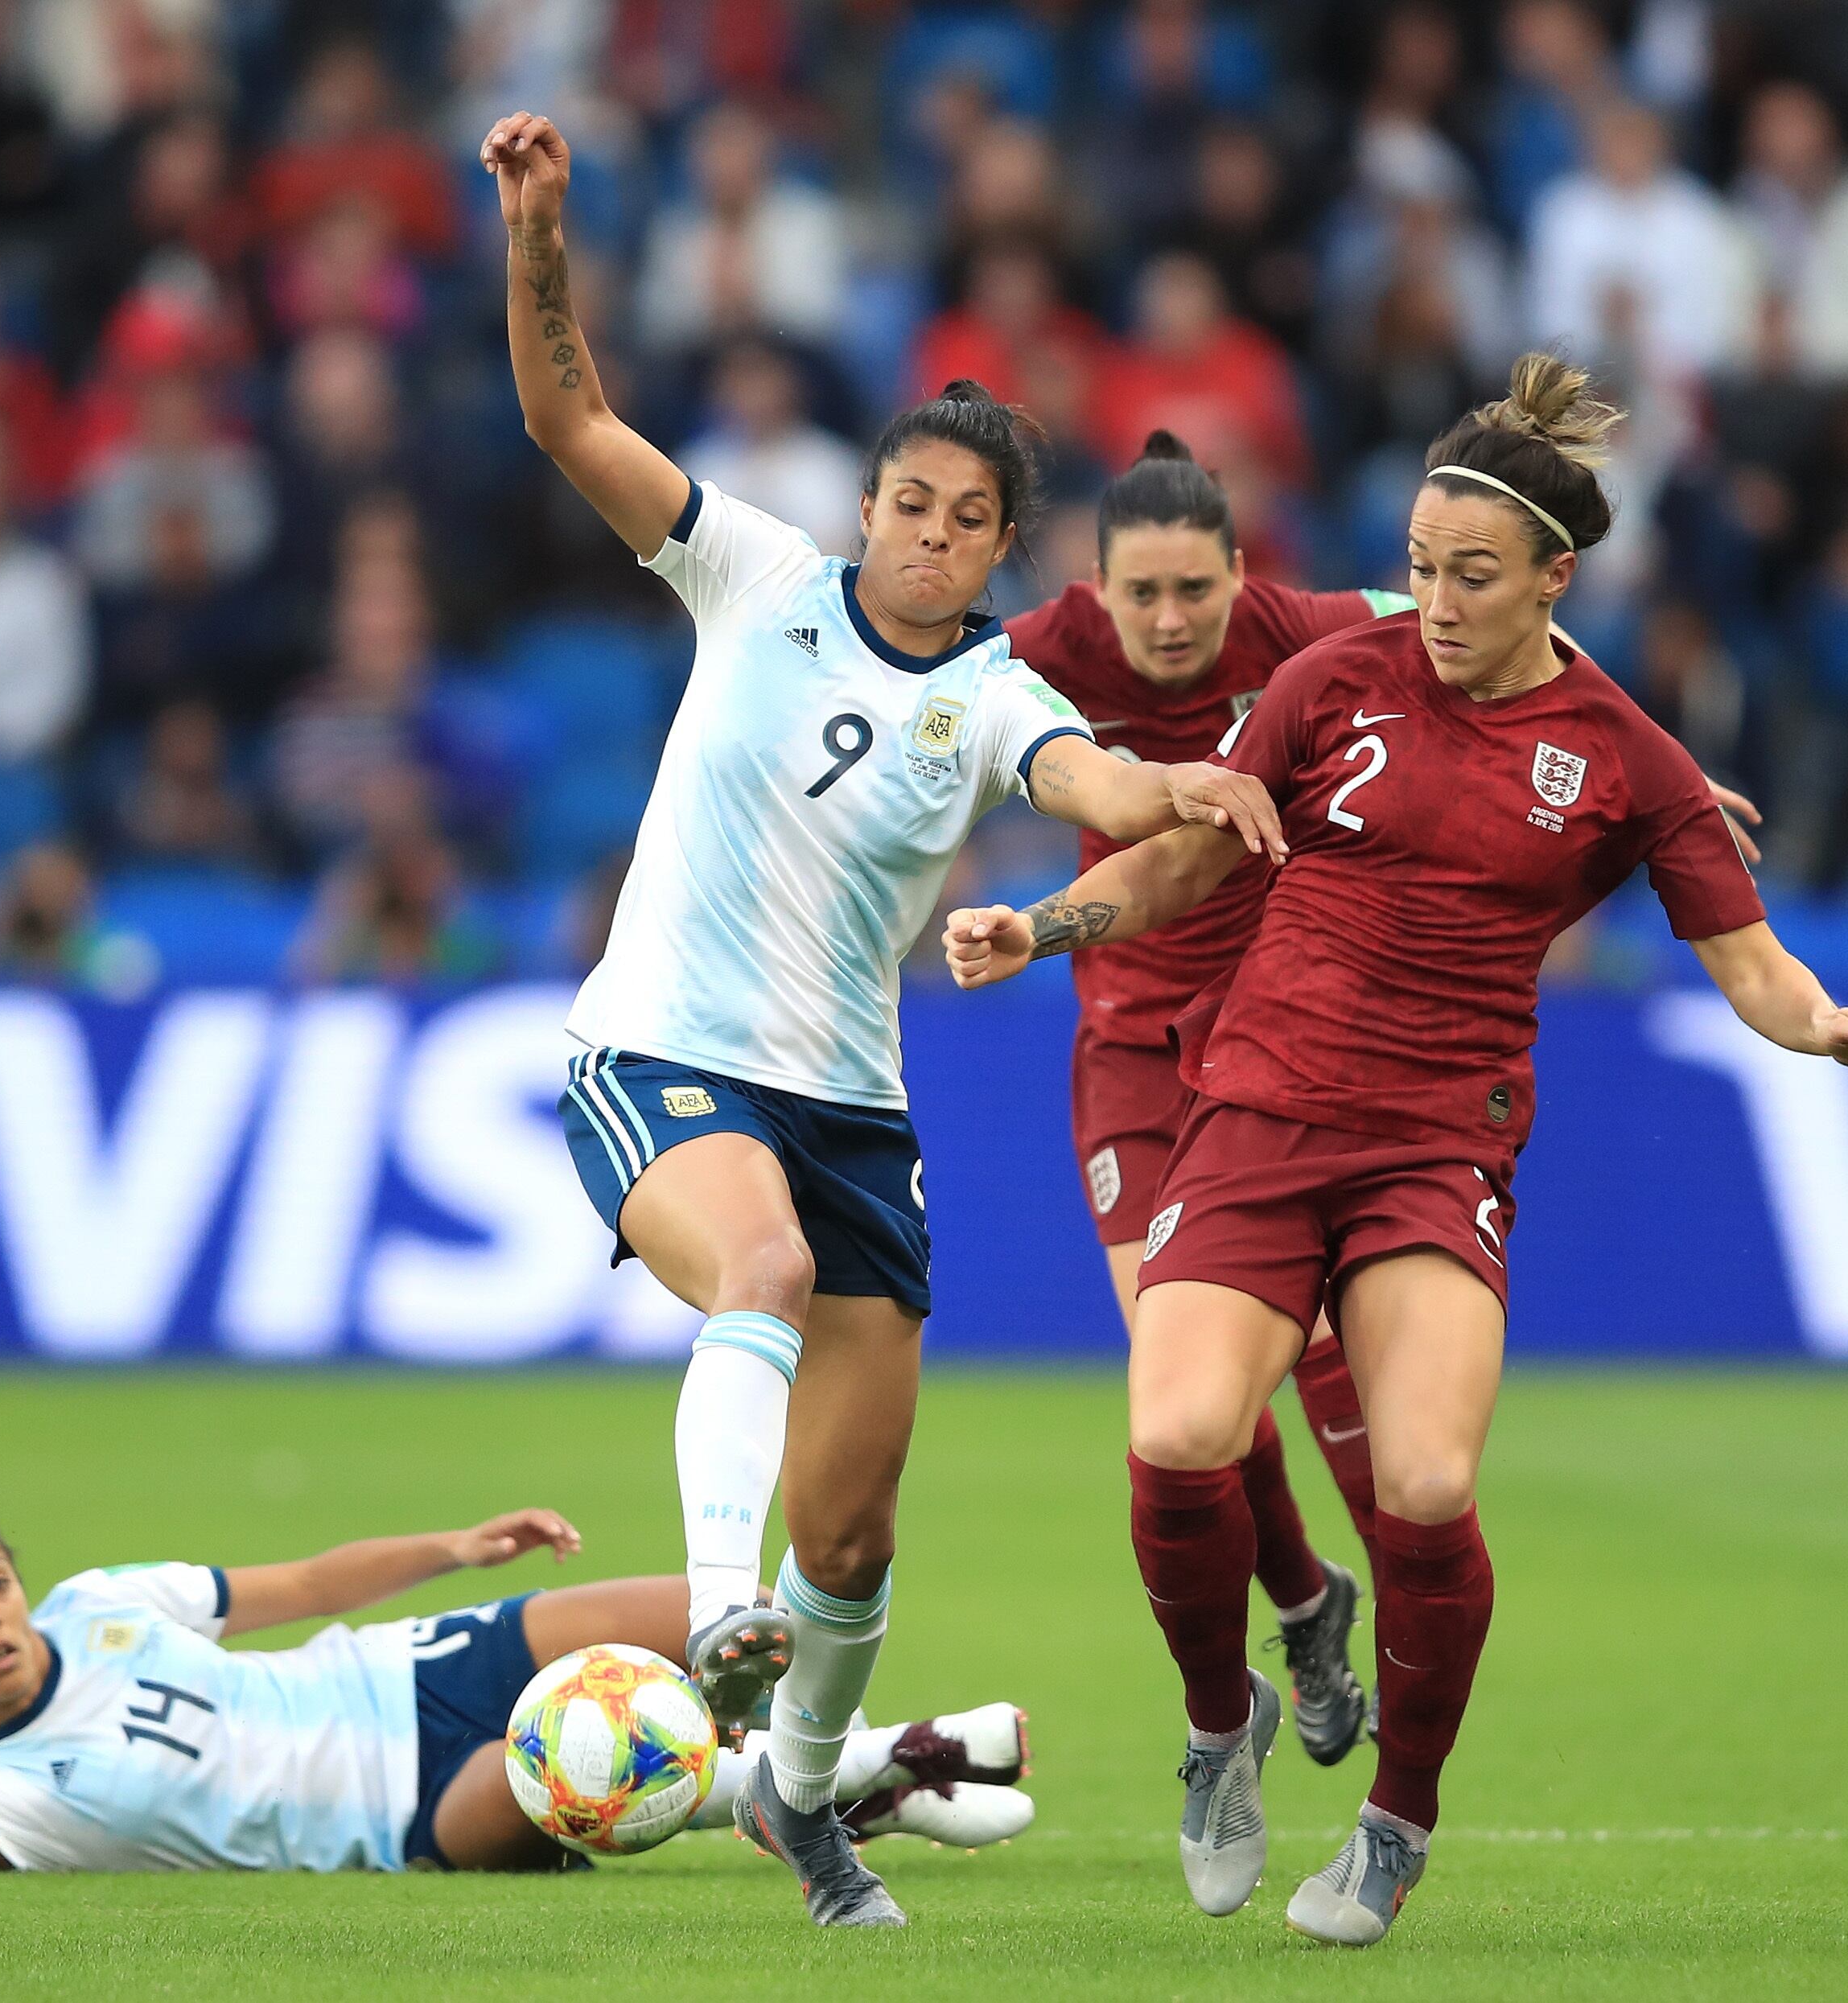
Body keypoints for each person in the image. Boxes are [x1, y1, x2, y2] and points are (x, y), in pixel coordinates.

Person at [944, 356, 1848, 1947]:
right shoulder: (1333, 680)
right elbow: (1187, 857)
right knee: (1182, 1428)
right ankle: (1218, 1734)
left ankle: (1395, 1818)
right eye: (1414, 566)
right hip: (1256, 1116)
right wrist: (1043, 923)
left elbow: (1752, 973)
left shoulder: (1621, 758)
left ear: (1556, 578)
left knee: (1420, 1477)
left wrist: (1832, 1031)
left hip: (1431, 1149)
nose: (1433, 599)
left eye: (1470, 575)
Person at [479, 109, 1286, 1929]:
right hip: (662, 1057)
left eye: (964, 520)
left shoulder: (995, 691)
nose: (926, 535)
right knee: (749, 1275)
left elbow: (1089, 781)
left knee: (851, 1536)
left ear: (1001, 549)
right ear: (867, 507)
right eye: (906, 504)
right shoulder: (748, 574)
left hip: (851, 1108)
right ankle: (708, 1623)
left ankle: (795, 1798)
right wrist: (539, 227)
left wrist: (1200, 789)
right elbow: (565, 420)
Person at [1002, 434, 1414, 1766]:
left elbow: (1498, 633)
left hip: (1277, 1043)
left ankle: (1395, 1608)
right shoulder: (1043, 650)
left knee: (1313, 1344)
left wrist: (1660, 779)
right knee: (1183, 1391)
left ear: (1244, 575)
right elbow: (899, 699)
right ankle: (1303, 1599)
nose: (1173, 621)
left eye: (1198, 590)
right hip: (1128, 1050)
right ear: (1097, 591)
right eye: (1145, 596)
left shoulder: (1299, 628)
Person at [0, 1500, 1036, 1878]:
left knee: (731, 1618)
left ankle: (871, 1778)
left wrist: (454, 1549)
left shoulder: (99, 1604)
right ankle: (873, 1775)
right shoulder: (4, 1791)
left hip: (414, 1668)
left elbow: (295, 1586)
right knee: (590, 1768)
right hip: (408, 1807)